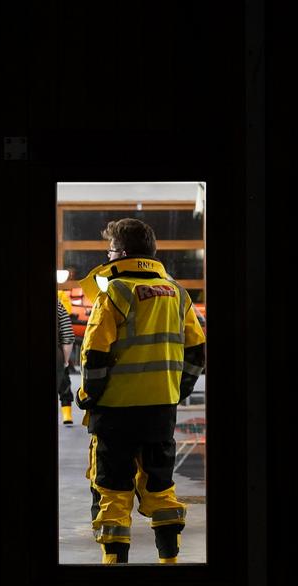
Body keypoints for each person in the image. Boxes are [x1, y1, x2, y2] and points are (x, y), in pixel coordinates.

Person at [76, 219, 206, 564]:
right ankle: (170, 561)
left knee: (113, 489)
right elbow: (198, 350)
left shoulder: (115, 293)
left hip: (116, 411)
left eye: (109, 250)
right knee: (160, 484)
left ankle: (115, 564)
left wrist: (89, 395)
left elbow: (95, 354)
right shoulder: (177, 293)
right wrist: (179, 390)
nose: (107, 255)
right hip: (160, 409)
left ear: (121, 253)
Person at [57, 295, 75, 426]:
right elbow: (67, 336)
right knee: (64, 383)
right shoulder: (58, 305)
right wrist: (65, 361)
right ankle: (67, 414)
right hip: (55, 354)